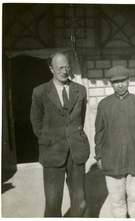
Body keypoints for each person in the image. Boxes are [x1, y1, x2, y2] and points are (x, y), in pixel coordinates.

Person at [30, 52, 90, 217]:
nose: (64, 71)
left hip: (76, 151)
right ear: (51, 69)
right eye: (59, 68)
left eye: (66, 67)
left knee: (80, 201)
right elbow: (36, 122)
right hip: (52, 152)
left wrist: (73, 136)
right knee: (53, 202)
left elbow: (80, 119)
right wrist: (48, 140)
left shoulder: (80, 90)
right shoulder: (40, 92)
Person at [94, 66, 135, 218]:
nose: (120, 85)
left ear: (128, 81)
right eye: (115, 82)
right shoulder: (104, 105)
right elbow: (99, 133)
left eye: (123, 81)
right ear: (111, 83)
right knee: (117, 200)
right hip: (112, 159)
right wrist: (99, 156)